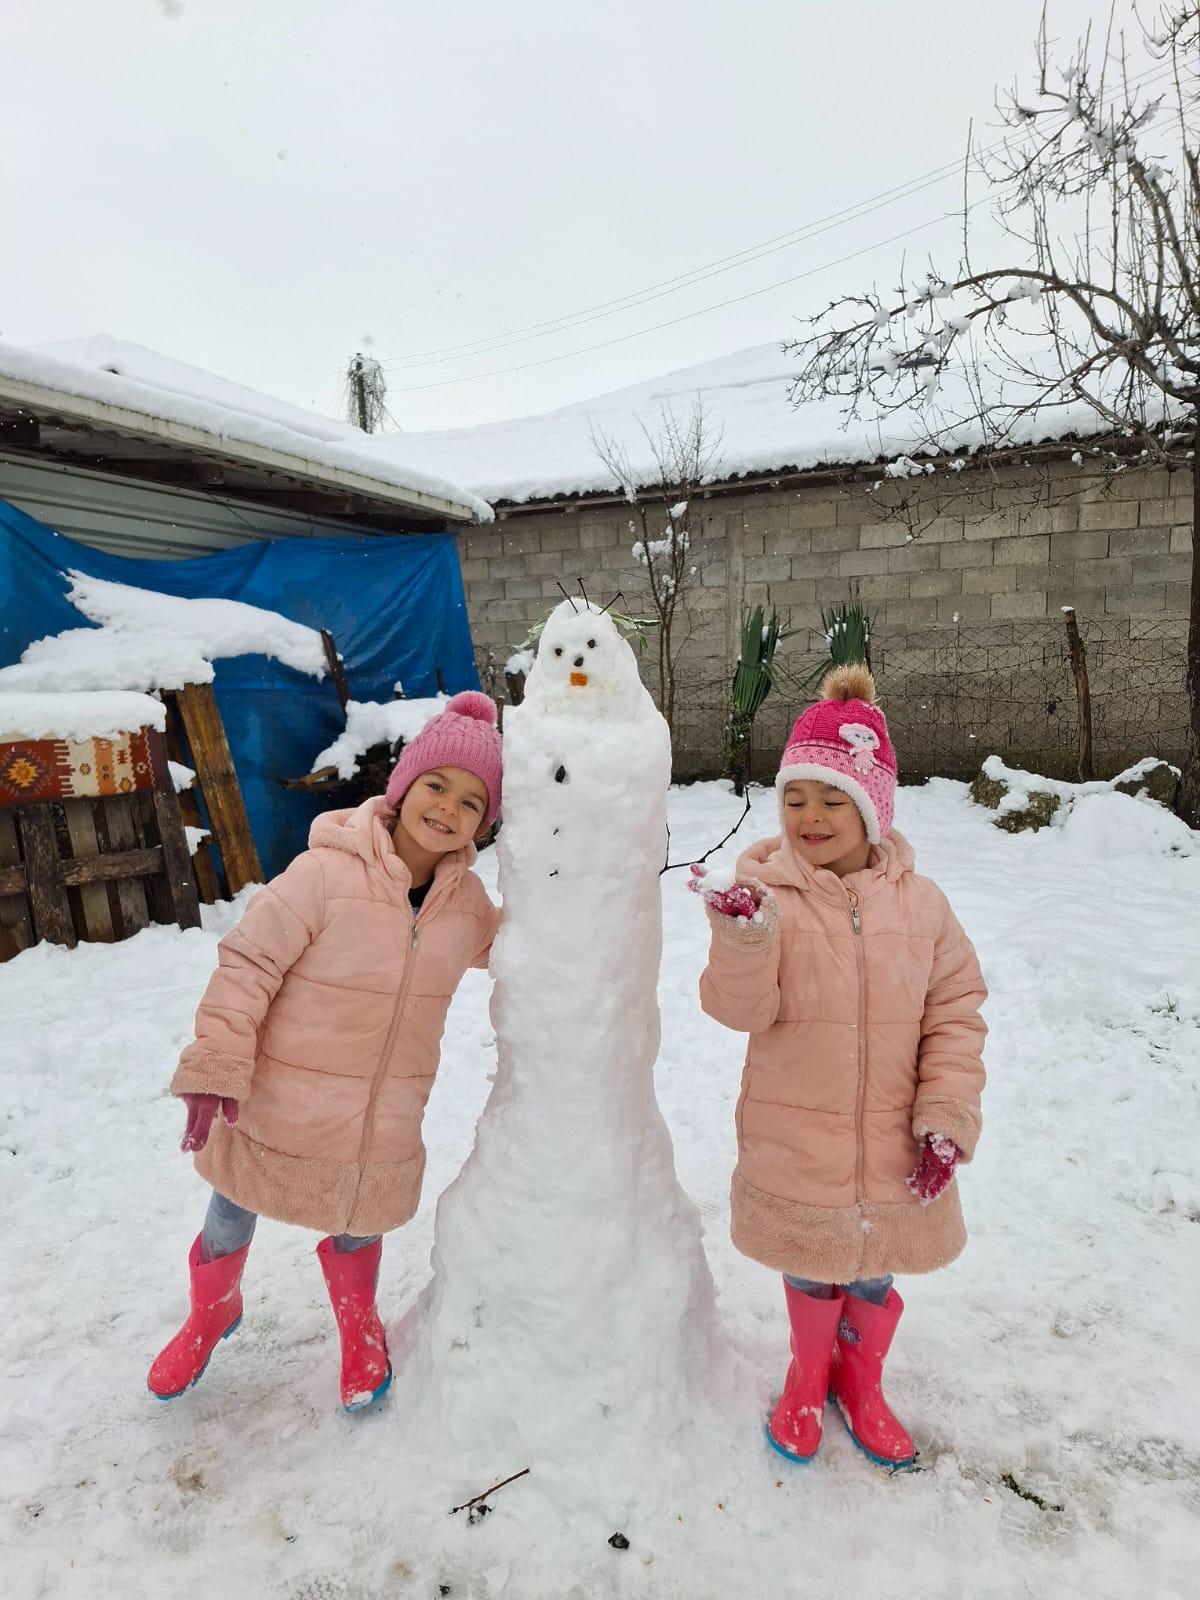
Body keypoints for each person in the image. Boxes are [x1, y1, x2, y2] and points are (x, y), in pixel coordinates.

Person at [147, 691, 502, 1413]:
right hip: (279, 1094)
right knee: (231, 1206)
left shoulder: (467, 908)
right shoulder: (323, 875)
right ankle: (211, 1310)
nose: (448, 808)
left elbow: (521, 956)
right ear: (401, 789)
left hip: (383, 1108)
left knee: (360, 1214)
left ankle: (358, 1322)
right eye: (436, 785)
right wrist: (217, 1062)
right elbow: (249, 962)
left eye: (472, 801)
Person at [695, 664, 986, 1468]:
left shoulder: (923, 907)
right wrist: (744, 939)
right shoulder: (765, 892)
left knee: (872, 1271)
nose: (810, 817)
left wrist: (947, 1116)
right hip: (799, 1138)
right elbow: (736, 1010)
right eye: (795, 799)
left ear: (873, 809)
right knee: (812, 1264)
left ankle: (861, 1384)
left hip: (895, 1139)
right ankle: (805, 1373)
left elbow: (956, 1012)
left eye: (832, 800)